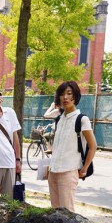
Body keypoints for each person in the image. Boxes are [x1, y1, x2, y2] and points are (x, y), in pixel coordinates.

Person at [43, 81, 97, 212]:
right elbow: (61, 143)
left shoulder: (81, 119)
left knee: (67, 213)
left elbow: (93, 146)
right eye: (62, 94)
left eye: (69, 94)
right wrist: (52, 152)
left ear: (76, 96)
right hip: (53, 171)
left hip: (68, 171)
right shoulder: (59, 119)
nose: (65, 97)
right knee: (54, 212)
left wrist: (84, 169)